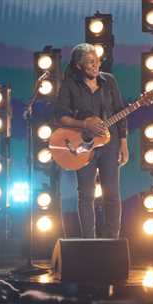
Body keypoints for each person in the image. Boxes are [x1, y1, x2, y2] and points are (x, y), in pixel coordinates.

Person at [54, 43, 129, 239]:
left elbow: (120, 112)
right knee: (86, 195)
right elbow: (61, 116)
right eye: (89, 62)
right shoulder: (70, 85)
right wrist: (84, 124)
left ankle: (112, 241)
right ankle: (89, 241)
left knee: (111, 194)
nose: (95, 65)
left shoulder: (109, 82)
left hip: (110, 145)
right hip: (82, 146)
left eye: (96, 61)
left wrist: (123, 143)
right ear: (78, 66)